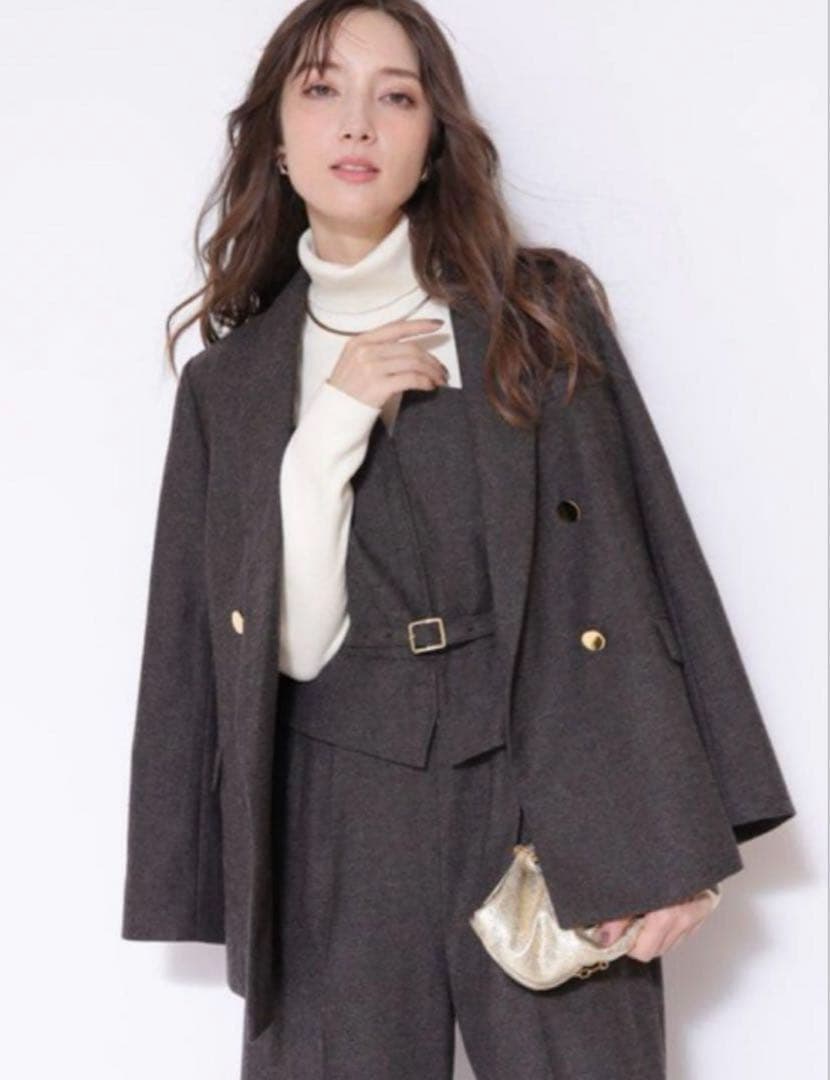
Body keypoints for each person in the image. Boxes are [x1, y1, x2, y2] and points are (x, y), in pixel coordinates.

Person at [121, 2, 797, 1077]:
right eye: (321, 89)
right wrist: (332, 425)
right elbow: (284, 648)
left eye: (395, 96)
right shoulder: (232, 385)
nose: (357, 122)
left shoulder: (535, 313)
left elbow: (638, 564)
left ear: (433, 139)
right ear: (275, 137)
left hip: (544, 784)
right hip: (334, 809)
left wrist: (673, 836)